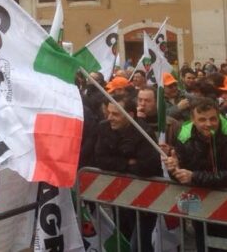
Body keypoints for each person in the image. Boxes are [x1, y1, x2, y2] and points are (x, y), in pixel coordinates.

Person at [95, 96, 161, 251]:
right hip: (119, 196)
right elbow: (100, 159)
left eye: (115, 114)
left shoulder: (144, 132)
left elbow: (147, 166)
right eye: (109, 113)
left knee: (139, 244)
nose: (110, 118)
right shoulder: (103, 128)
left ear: (130, 115)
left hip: (144, 197)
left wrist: (117, 163)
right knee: (124, 239)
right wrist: (127, 163)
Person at [167, 98, 227, 251]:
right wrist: (174, 169)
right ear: (193, 120)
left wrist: (194, 176)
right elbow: (180, 172)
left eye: (213, 119)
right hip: (198, 203)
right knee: (202, 240)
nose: (208, 124)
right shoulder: (183, 136)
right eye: (202, 119)